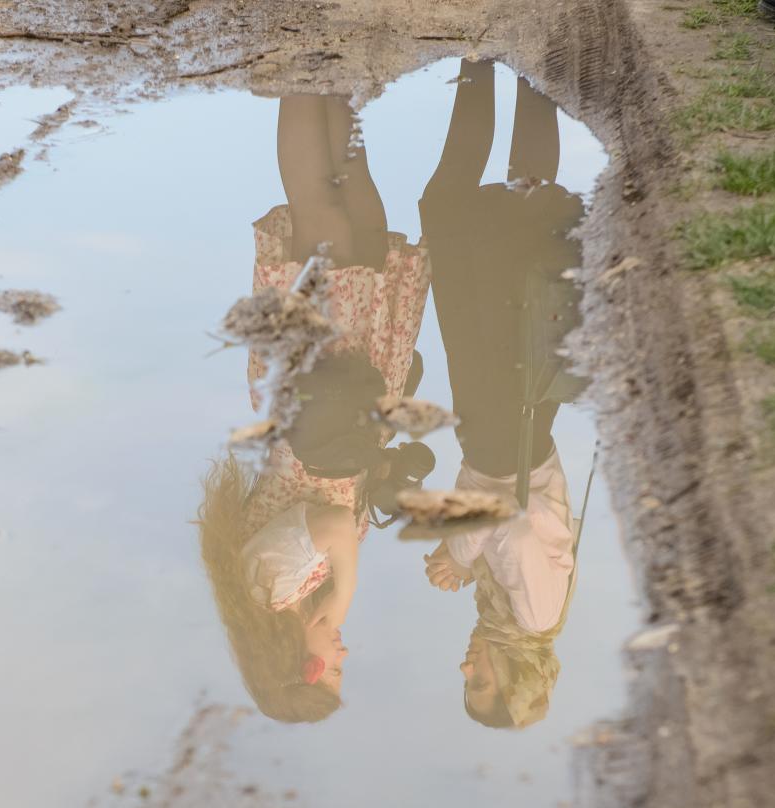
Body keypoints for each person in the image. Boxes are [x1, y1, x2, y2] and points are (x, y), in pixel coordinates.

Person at [197, 95, 432, 723]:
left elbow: (328, 521)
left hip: (312, 380)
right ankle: (336, 82)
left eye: (334, 670)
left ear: (300, 668)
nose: (344, 653)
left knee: (322, 216)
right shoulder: (296, 594)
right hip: (339, 394)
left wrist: (346, 593)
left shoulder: (268, 590)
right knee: (362, 218)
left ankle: (302, 75)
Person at [419, 61, 587, 729]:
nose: (466, 669)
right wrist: (459, 554)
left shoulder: (503, 613)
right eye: (479, 684)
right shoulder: (537, 616)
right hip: (505, 423)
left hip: (497, 423)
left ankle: (490, 59)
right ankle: (512, 61)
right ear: (512, 678)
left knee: (493, 216)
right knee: (478, 216)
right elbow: (512, 523)